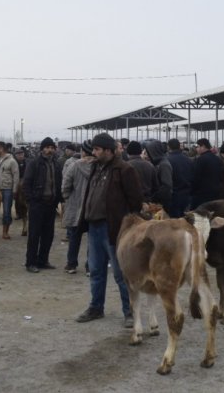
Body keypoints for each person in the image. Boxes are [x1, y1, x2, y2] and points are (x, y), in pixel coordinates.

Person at [76, 133, 142, 328]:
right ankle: (96, 307)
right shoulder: (96, 167)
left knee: (121, 273)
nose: (93, 152)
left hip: (114, 229)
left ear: (109, 151)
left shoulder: (124, 170)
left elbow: (136, 201)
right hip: (94, 227)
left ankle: (129, 312)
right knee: (96, 270)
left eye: (97, 149)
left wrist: (126, 227)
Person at [22, 137, 62, 273]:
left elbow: (59, 182)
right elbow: (26, 183)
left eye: (52, 148)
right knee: (34, 235)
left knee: (48, 235)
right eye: (47, 147)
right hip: (37, 204)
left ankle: (43, 260)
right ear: (42, 149)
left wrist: (58, 199)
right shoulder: (34, 164)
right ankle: (31, 262)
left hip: (51, 204)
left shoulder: (56, 164)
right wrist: (31, 200)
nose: (49, 150)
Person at [62, 140, 94, 274]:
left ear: (83, 151)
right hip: (93, 208)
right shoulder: (99, 167)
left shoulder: (73, 166)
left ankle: (71, 265)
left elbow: (65, 186)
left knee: (74, 238)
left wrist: (68, 197)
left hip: (75, 207)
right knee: (92, 240)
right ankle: (90, 266)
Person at [0, 141, 20, 240]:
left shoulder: (12, 161)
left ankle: (5, 232)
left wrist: (14, 190)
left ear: (1, 149)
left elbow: (16, 176)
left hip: (7, 189)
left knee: (6, 211)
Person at [190, 138, 224, 209]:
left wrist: (192, 192)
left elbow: (195, 178)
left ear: (203, 146)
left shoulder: (200, 160)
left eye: (198, 146)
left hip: (201, 195)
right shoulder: (218, 159)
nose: (197, 149)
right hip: (216, 194)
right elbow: (222, 176)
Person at [144, 139, 173, 213]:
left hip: (163, 202)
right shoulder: (158, 163)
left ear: (153, 152)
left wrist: (154, 197)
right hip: (160, 201)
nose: (147, 155)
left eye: (148, 153)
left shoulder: (164, 165)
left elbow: (167, 186)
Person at [167, 138, 193, 217]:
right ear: (179, 146)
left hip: (174, 196)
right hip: (187, 195)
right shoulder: (188, 160)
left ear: (168, 147)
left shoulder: (167, 160)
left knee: (175, 223)